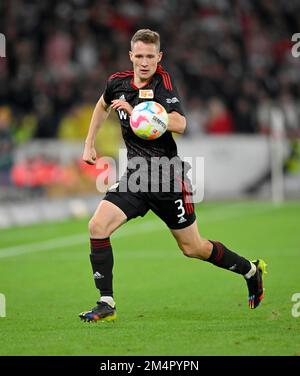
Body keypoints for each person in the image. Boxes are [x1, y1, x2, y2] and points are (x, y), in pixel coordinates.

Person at [79, 29, 267, 322]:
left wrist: (140, 113)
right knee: (97, 226)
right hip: (136, 176)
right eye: (139, 56)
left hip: (168, 178)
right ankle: (106, 303)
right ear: (131, 56)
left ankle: (250, 270)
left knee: (193, 248)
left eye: (150, 57)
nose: (144, 62)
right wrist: (89, 142)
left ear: (159, 57)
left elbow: (180, 123)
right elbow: (102, 106)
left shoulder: (163, 84)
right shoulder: (117, 82)